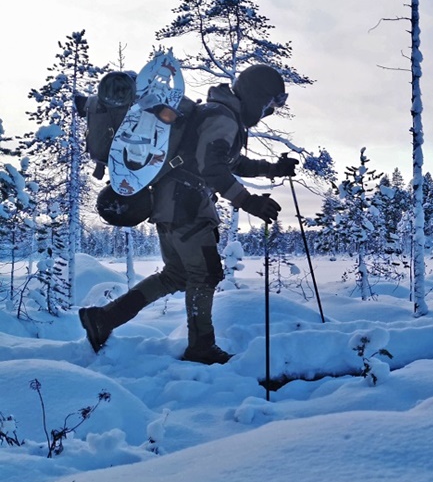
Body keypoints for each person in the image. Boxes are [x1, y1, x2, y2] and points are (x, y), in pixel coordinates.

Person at [79, 64, 298, 364]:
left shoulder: (216, 113)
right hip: (187, 206)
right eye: (268, 104)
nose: (267, 112)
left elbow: (231, 161)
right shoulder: (223, 117)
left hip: (169, 204)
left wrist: (272, 169)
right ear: (255, 96)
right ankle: (201, 347)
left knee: (176, 275)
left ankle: (104, 319)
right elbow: (213, 167)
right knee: (206, 274)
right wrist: (248, 201)